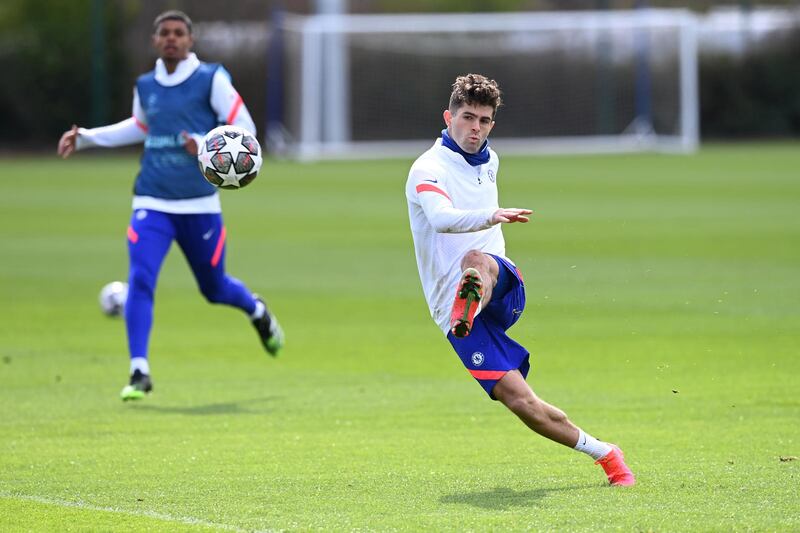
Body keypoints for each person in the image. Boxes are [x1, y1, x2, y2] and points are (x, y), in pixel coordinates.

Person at [405, 73, 635, 486]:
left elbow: (475, 241)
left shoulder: (490, 159)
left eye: (485, 120)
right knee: (521, 402)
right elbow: (439, 219)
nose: (476, 128)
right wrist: (491, 215)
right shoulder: (428, 168)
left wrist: (488, 234)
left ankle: (471, 296)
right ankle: (607, 455)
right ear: (448, 116)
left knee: (476, 260)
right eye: (468, 118)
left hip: (502, 282)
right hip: (449, 312)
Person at [57, 10, 284, 401]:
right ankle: (139, 371)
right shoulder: (146, 85)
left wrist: (205, 143)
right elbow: (141, 126)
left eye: (179, 33)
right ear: (155, 40)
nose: (172, 39)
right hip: (152, 200)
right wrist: (88, 137)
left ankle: (257, 311)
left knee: (214, 289)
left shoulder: (212, 79)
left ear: (190, 39)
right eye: (165, 33)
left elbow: (244, 129)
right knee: (141, 279)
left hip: (199, 205)